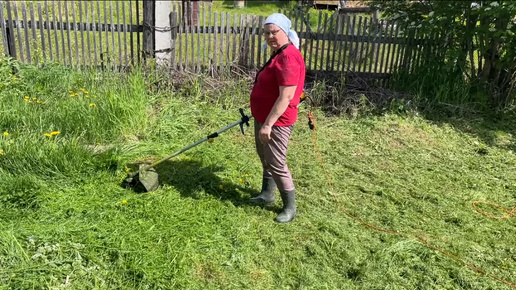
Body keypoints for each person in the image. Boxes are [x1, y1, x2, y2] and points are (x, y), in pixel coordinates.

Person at [249, 13, 306, 223]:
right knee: (265, 157)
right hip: (264, 117)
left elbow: (287, 97)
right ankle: (267, 194)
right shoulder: (278, 52)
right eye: (267, 32)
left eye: (275, 32)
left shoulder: (288, 57)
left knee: (276, 162)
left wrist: (269, 124)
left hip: (277, 122)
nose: (270, 36)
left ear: (285, 31)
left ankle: (290, 208)